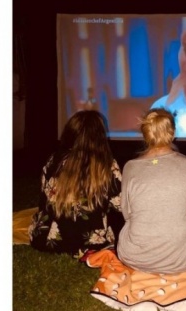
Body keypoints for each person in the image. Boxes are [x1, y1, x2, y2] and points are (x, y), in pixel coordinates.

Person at [117, 108, 186, 274]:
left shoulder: (130, 168)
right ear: (172, 133)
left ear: (145, 135)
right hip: (185, 259)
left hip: (136, 257)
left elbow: (128, 215)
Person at [28, 110, 123, 259]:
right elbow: (120, 205)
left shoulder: (54, 160)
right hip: (92, 244)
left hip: (47, 240)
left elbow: (44, 198)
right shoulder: (107, 165)